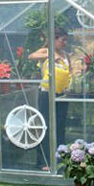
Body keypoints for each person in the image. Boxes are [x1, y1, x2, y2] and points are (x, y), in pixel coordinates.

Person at [28, 27, 70, 171]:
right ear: (54, 40)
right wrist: (50, 56)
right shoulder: (46, 51)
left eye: (66, 40)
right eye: (62, 40)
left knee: (60, 125)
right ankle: (43, 160)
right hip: (47, 94)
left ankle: (60, 157)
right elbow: (31, 56)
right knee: (45, 125)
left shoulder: (65, 54)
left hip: (62, 94)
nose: (65, 43)